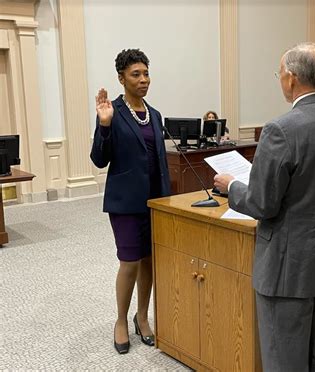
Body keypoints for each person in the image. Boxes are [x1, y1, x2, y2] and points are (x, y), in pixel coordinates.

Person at [214, 42, 315, 371]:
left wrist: (232, 187)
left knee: (284, 358)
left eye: (279, 74)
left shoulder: (280, 129)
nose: (279, 79)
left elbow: (262, 203)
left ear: (291, 78)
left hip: (288, 268)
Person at [90, 49, 171, 355]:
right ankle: (121, 320)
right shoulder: (113, 111)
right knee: (130, 261)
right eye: (136, 74)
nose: (143, 80)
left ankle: (142, 316)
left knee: (150, 260)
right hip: (125, 201)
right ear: (121, 78)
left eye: (146, 73)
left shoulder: (155, 114)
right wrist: (105, 124)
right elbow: (100, 159)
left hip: (155, 200)